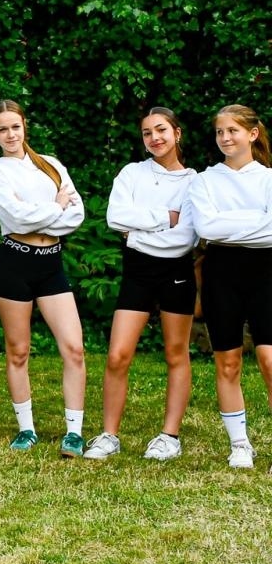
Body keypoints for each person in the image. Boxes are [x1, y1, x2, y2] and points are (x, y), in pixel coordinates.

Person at [87, 108, 197, 461]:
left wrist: (137, 233)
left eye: (161, 130)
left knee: (175, 354)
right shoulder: (131, 173)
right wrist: (165, 217)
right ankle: (109, 435)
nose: (155, 138)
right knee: (118, 355)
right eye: (147, 133)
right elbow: (115, 217)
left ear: (177, 133)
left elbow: (184, 240)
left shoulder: (196, 182)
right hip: (137, 271)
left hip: (176, 271)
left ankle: (170, 437)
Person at [0, 99, 88, 457]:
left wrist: (44, 214)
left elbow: (77, 215)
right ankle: (26, 429)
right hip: (14, 264)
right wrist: (55, 207)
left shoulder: (51, 165)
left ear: (25, 126)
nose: (11, 134)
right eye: (2, 129)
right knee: (19, 350)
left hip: (51, 264)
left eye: (16, 126)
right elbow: (15, 218)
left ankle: (74, 432)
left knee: (73, 348)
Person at [184, 103, 272, 470]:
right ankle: (240, 445)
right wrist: (257, 222)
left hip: (267, 270)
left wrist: (229, 222)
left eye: (232, 131)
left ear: (252, 134)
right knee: (229, 361)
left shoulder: (268, 178)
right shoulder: (204, 180)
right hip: (222, 271)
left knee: (269, 359)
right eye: (220, 132)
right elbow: (207, 229)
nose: (225, 138)